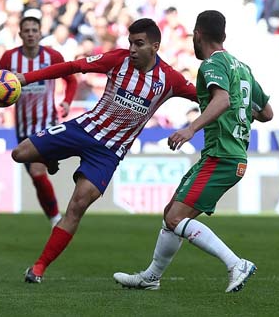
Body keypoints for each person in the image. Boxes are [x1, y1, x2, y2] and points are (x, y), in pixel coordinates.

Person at [12, 18, 197, 284]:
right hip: (83, 129)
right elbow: (74, 66)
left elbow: (206, 96)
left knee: (76, 207)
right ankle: (51, 157)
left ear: (155, 46)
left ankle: (39, 267)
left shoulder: (170, 79)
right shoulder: (117, 60)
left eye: (139, 44)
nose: (132, 49)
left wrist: (246, 107)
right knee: (20, 153)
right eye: (130, 42)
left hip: (108, 153)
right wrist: (25, 78)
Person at [112, 10, 274, 293]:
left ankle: (236, 264)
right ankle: (151, 277)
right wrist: (242, 109)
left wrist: (190, 129)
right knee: (171, 214)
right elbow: (267, 113)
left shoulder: (212, 65)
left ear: (198, 34)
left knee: (175, 218)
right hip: (225, 154)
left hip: (222, 155)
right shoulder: (242, 67)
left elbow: (222, 99)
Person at [0, 15, 78, 227]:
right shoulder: (9, 58)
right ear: (20, 34)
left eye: (35, 30)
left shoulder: (52, 56)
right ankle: (49, 162)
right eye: (27, 30)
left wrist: (67, 102)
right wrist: (1, 100)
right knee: (37, 178)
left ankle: (55, 220)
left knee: (36, 171)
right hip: (23, 127)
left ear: (40, 33)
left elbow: (71, 79)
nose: (31, 34)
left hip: (47, 124)